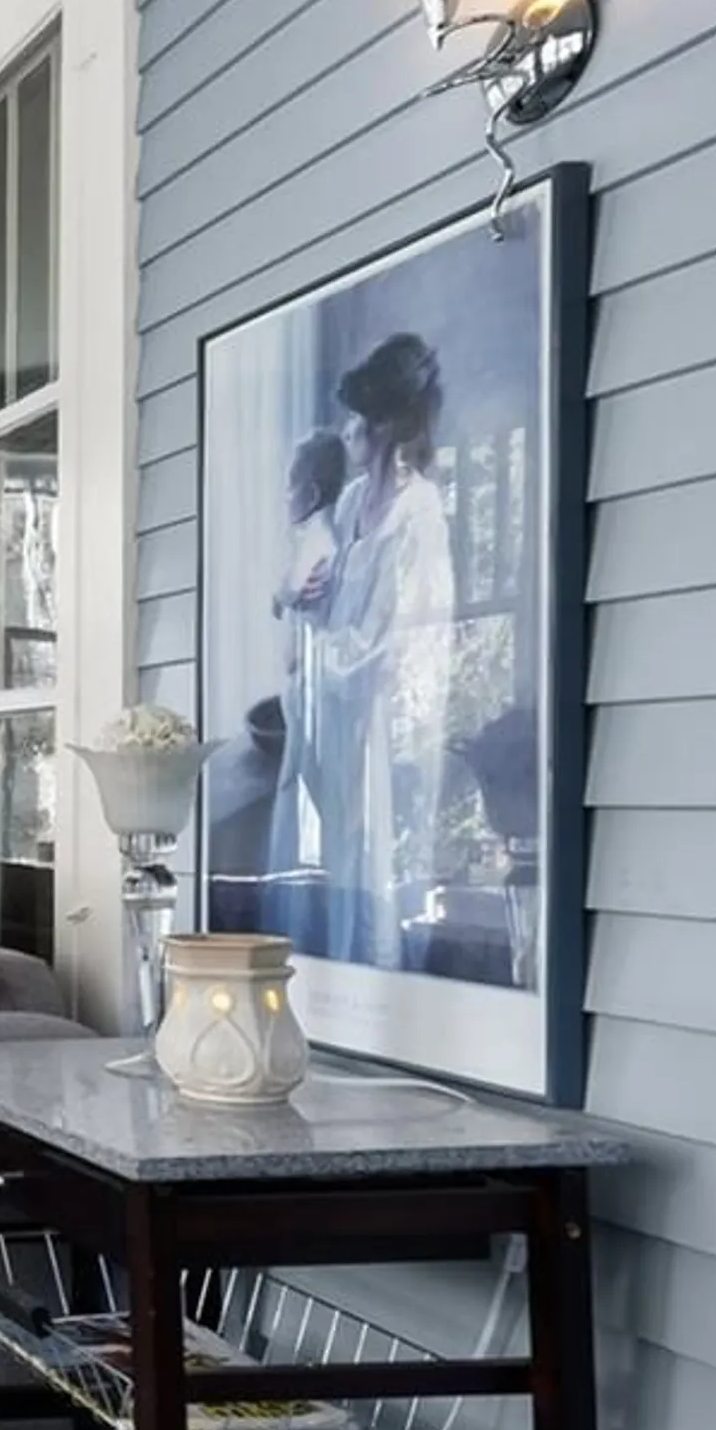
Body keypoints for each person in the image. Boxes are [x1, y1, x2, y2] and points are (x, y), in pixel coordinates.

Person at [296, 334, 455, 969]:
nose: (348, 431)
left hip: (383, 713)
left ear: (385, 426)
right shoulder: (351, 503)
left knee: (377, 856)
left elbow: (406, 631)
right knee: (342, 855)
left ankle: (380, 977)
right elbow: (327, 595)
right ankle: (339, 978)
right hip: (340, 711)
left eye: (358, 419)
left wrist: (334, 660)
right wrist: (308, 597)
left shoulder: (419, 512)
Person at [266, 427, 348, 886]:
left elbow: (287, 591)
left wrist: (282, 595)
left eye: (290, 488)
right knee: (310, 778)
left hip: (311, 685)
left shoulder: (318, 536)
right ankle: (323, 864)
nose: (285, 498)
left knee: (300, 778)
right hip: (307, 682)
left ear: (312, 494)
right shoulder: (324, 535)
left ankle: (289, 869)